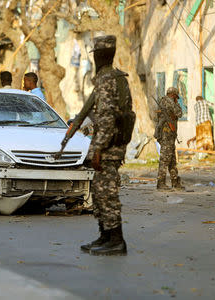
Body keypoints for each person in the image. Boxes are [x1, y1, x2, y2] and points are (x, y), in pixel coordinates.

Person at [76, 35, 134, 256]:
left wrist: (98, 149)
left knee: (106, 193)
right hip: (113, 141)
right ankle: (105, 235)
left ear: (98, 56)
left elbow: (108, 117)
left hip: (109, 145)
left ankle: (116, 240)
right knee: (100, 191)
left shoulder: (105, 78)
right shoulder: (118, 77)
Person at [155, 87, 183, 191]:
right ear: (174, 95)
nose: (177, 99)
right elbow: (179, 113)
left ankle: (175, 182)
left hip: (167, 134)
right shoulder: (170, 102)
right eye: (176, 97)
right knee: (165, 159)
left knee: (171, 159)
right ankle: (161, 183)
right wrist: (176, 104)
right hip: (167, 135)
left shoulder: (162, 101)